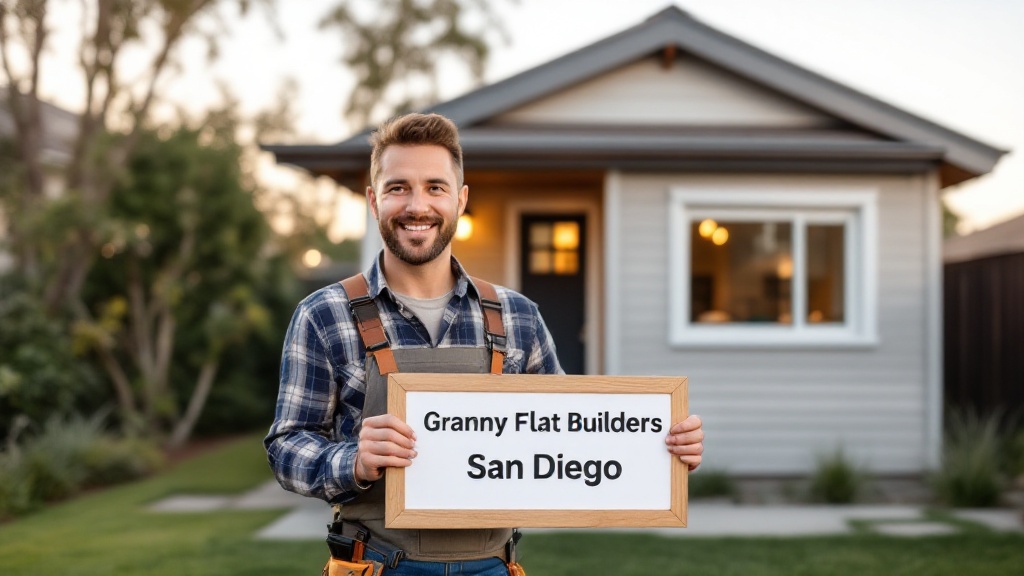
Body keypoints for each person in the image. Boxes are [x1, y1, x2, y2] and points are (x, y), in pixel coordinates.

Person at [265, 113, 704, 575]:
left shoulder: (519, 317)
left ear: (461, 199)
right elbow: (286, 446)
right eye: (398, 188)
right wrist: (352, 460)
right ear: (374, 201)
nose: (418, 206)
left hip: (493, 566)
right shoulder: (324, 314)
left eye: (435, 187)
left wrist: (659, 449)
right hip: (374, 564)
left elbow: (571, 439)